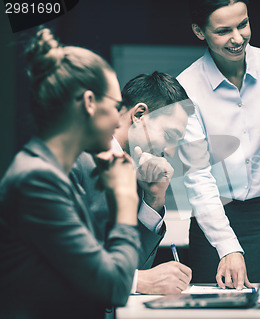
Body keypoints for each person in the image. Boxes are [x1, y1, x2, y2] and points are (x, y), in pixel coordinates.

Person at [0, 28, 140, 319]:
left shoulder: (53, 175)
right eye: (115, 106)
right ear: (89, 102)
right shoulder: (36, 181)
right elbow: (113, 286)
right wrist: (126, 199)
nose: (118, 119)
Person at [177, 0, 260, 288]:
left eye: (243, 24)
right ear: (199, 32)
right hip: (213, 221)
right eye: (224, 30)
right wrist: (226, 245)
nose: (238, 38)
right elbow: (197, 175)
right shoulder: (186, 86)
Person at [71, 72, 194, 295]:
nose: (170, 151)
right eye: (169, 134)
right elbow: (60, 257)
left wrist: (154, 199)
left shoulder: (138, 176)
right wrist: (138, 281)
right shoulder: (75, 160)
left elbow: (136, 265)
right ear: (139, 114)